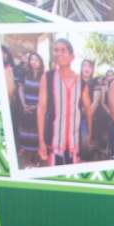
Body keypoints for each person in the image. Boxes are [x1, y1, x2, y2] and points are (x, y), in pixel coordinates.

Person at [37, 38, 88, 166]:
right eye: (56, 50)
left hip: (74, 144)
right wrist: (41, 140)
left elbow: (88, 110)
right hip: (54, 142)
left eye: (63, 51)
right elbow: (41, 108)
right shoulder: (47, 77)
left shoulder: (81, 82)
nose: (58, 54)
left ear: (72, 56)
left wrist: (88, 137)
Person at [13, 51, 44, 169]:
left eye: (36, 60)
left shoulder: (43, 77)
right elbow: (20, 89)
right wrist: (24, 104)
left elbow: (45, 94)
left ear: (40, 62)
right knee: (26, 134)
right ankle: (28, 158)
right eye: (32, 59)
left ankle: (35, 160)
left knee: (36, 134)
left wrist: (36, 106)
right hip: (26, 107)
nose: (34, 62)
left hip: (38, 108)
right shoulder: (25, 74)